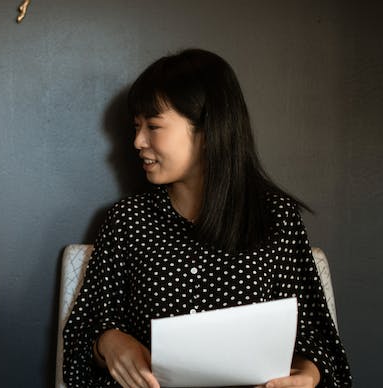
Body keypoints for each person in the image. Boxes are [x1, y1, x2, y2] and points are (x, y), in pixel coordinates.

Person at [62, 48, 352, 388]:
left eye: (153, 126)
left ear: (209, 130)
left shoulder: (276, 218)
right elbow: (81, 337)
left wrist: (308, 375)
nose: (137, 141)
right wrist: (109, 342)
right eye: (136, 126)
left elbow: (316, 341)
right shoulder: (127, 221)